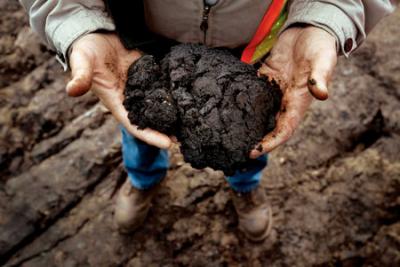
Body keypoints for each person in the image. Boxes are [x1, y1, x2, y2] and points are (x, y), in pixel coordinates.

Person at [20, 0, 395, 242]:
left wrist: (325, 16)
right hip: (140, 45)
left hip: (257, 49)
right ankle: (144, 179)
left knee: (251, 137)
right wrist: (78, 22)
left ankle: (245, 186)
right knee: (141, 127)